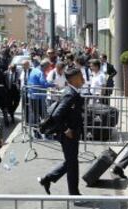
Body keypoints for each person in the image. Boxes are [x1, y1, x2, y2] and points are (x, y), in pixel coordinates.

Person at [38, 67, 85, 197]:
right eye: (80, 75)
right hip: (69, 134)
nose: (83, 78)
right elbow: (57, 115)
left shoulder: (73, 91)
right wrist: (66, 130)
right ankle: (73, 193)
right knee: (72, 163)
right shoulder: (70, 93)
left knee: (71, 161)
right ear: (74, 78)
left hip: (73, 133)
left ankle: (47, 179)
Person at [27, 59, 55, 130]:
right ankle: (40, 131)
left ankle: (36, 130)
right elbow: (44, 83)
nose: (50, 68)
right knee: (42, 115)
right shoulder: (40, 72)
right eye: (49, 66)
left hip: (32, 95)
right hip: (38, 96)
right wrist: (53, 85)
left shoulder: (34, 69)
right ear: (45, 66)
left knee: (35, 113)